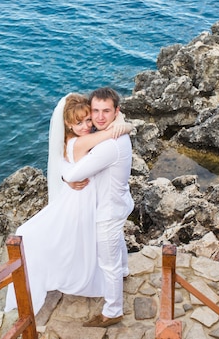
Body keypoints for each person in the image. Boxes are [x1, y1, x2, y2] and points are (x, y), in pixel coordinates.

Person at [4, 93, 133, 315]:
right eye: (80, 122)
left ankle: (118, 277)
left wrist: (123, 122)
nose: (87, 125)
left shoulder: (78, 137)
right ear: (68, 124)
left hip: (93, 201)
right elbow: (102, 139)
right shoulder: (85, 140)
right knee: (57, 239)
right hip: (82, 200)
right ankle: (91, 276)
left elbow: (64, 161)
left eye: (88, 120)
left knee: (91, 241)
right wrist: (122, 125)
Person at [61, 87, 134, 328]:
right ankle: (124, 271)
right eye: (96, 111)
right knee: (119, 244)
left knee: (107, 263)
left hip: (108, 210)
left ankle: (113, 311)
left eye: (106, 111)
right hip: (119, 201)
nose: (100, 117)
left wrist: (66, 178)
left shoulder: (108, 146)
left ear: (116, 112)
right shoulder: (116, 135)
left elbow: (73, 173)